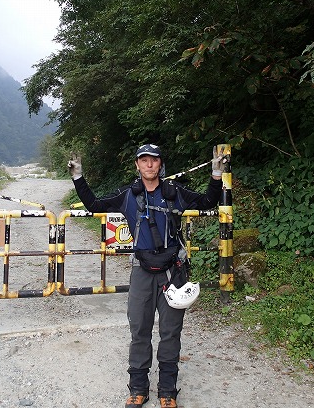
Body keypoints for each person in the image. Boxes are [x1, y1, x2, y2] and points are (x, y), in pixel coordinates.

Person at [68, 143, 226, 408]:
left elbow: (207, 201)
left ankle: (167, 391)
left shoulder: (174, 192)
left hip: (173, 271)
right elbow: (94, 205)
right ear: (137, 165)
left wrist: (216, 175)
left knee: (170, 332)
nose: (149, 165)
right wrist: (78, 178)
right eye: (144, 160)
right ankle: (138, 388)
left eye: (154, 160)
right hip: (142, 271)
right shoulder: (127, 194)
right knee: (139, 330)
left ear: (160, 164)